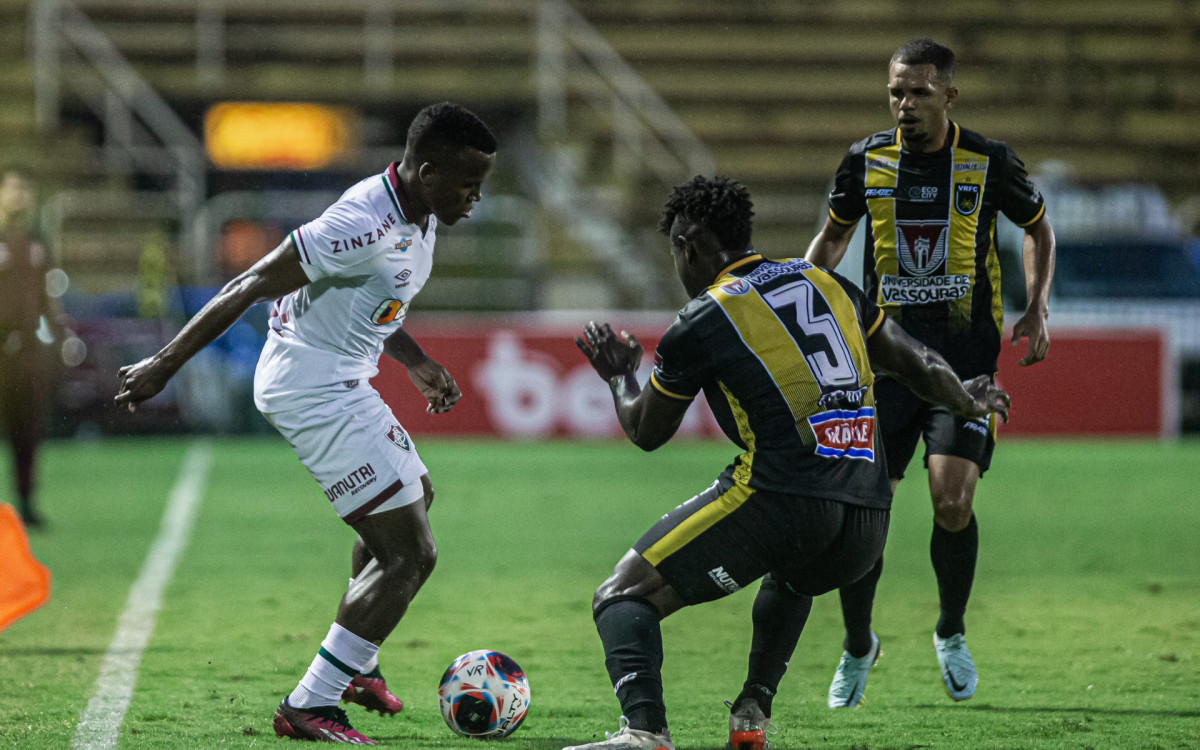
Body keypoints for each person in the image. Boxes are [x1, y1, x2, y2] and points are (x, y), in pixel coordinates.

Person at [566, 175, 1010, 750]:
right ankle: (752, 711)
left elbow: (647, 431)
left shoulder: (702, 319)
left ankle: (644, 731)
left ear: (689, 245)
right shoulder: (826, 281)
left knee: (621, 596)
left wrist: (620, 374)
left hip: (784, 501)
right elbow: (919, 362)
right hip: (869, 520)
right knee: (792, 573)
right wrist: (966, 400)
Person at [114, 102, 497, 745]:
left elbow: (373, 300)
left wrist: (416, 362)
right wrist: (163, 364)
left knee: (415, 502)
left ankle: (357, 662)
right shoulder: (362, 221)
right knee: (411, 554)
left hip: (343, 376)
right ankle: (309, 704)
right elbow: (250, 283)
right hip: (312, 387)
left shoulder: (419, 213)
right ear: (427, 170)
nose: (477, 198)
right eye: (468, 183)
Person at [803, 38, 1056, 707]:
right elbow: (830, 241)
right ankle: (859, 645)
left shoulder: (989, 162)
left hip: (966, 368)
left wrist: (1035, 308)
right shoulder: (864, 160)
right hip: (884, 365)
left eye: (918, 92)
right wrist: (808, 310)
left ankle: (949, 630)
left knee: (952, 501)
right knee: (863, 513)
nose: (905, 105)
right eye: (895, 92)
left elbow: (1038, 228)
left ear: (950, 94)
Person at [0, 168, 65, 529]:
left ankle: (25, 503)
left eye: (25, 190)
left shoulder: (37, 244)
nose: (19, 197)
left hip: (25, 350)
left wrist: (55, 339)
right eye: (12, 189)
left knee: (27, 431)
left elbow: (48, 300)